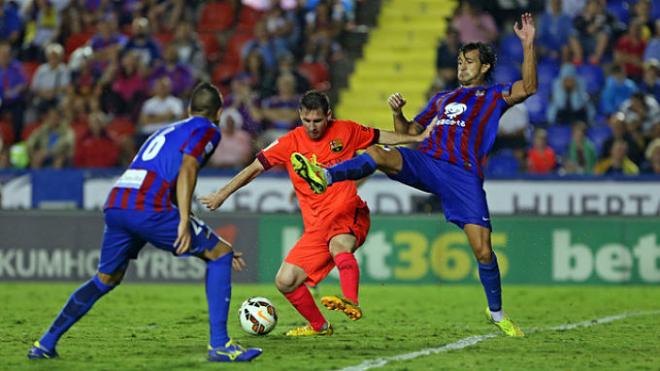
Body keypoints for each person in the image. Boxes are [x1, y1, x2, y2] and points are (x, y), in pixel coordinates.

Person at [291, 13, 538, 337]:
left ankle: (496, 313)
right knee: (378, 153)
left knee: (483, 250)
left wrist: (528, 44)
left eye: (470, 62)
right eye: (461, 61)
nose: (462, 66)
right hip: (428, 162)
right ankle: (325, 176)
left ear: (485, 67)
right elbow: (408, 133)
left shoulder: (493, 96)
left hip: (463, 176)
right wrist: (397, 113)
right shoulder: (442, 99)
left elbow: (530, 87)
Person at [28, 83, 262, 363]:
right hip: (147, 206)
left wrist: (192, 223)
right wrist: (185, 220)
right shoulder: (207, 129)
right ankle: (221, 345)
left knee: (105, 278)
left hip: (118, 201)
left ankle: (45, 343)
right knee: (220, 254)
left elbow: (164, 174)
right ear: (218, 112)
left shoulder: (166, 130)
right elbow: (188, 167)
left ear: (188, 109)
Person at [200, 91, 433, 337]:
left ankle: (351, 301)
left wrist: (415, 136)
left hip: (347, 212)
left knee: (339, 247)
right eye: (307, 121)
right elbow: (254, 168)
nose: (312, 127)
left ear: (328, 116)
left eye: (318, 121)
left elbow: (380, 136)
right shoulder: (289, 142)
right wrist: (222, 194)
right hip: (317, 228)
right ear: (300, 115)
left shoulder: (346, 130)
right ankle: (320, 327)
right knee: (285, 280)